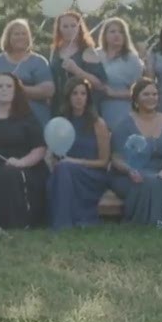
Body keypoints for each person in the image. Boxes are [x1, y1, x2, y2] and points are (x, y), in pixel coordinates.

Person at [106, 77, 162, 229]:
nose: (151, 98)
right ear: (136, 99)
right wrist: (130, 170)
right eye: (146, 94)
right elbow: (116, 158)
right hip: (129, 173)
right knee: (148, 180)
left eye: (154, 94)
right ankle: (145, 222)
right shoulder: (124, 124)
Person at [0, 73, 47, 229]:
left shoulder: (27, 116)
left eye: (8, 86)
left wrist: (21, 162)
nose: (4, 89)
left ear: (16, 90)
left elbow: (39, 149)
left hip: (26, 168)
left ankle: (17, 223)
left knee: (10, 175)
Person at [46, 78, 114, 231]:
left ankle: (63, 223)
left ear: (88, 97)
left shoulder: (98, 123)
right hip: (67, 172)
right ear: (68, 97)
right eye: (74, 93)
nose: (79, 97)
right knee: (61, 171)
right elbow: (57, 156)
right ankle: (62, 221)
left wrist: (75, 162)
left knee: (65, 169)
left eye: (83, 94)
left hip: (92, 174)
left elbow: (104, 162)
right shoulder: (61, 122)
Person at [0, 18, 56, 127]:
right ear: (8, 37)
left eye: (24, 34)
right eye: (16, 34)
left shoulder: (39, 61)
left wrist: (18, 88)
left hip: (35, 120)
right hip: (4, 121)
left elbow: (48, 90)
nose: (20, 37)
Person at [49, 9, 107, 114]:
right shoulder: (55, 51)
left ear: (79, 27)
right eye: (65, 26)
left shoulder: (88, 51)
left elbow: (100, 84)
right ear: (59, 29)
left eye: (73, 25)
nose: (69, 29)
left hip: (84, 108)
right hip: (59, 107)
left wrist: (76, 70)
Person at [94, 18, 146, 129]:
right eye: (112, 32)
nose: (117, 35)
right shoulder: (95, 55)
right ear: (105, 35)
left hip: (120, 110)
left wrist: (114, 93)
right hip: (95, 110)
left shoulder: (132, 59)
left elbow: (139, 92)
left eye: (121, 32)